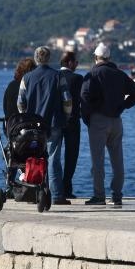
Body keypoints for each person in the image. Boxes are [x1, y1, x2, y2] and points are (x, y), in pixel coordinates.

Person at [81, 43, 135, 207]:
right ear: (109, 58)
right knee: (117, 161)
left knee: (98, 161)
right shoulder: (119, 74)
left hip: (98, 120)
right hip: (116, 121)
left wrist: (87, 118)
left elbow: (84, 97)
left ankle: (99, 196)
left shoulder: (93, 74)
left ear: (95, 58)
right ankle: (117, 195)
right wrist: (123, 105)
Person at [18, 46, 73, 205]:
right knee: (54, 160)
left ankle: (34, 193)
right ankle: (56, 195)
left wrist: (26, 118)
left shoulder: (26, 78)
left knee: (34, 158)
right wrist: (67, 116)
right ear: (49, 58)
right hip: (54, 123)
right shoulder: (58, 76)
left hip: (33, 125)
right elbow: (67, 100)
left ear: (36, 58)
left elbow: (21, 103)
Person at [59, 51, 83, 199]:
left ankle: (54, 187)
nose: (77, 65)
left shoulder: (55, 77)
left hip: (56, 121)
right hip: (73, 121)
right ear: (69, 62)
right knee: (71, 155)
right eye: (76, 62)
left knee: (53, 155)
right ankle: (67, 187)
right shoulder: (77, 78)